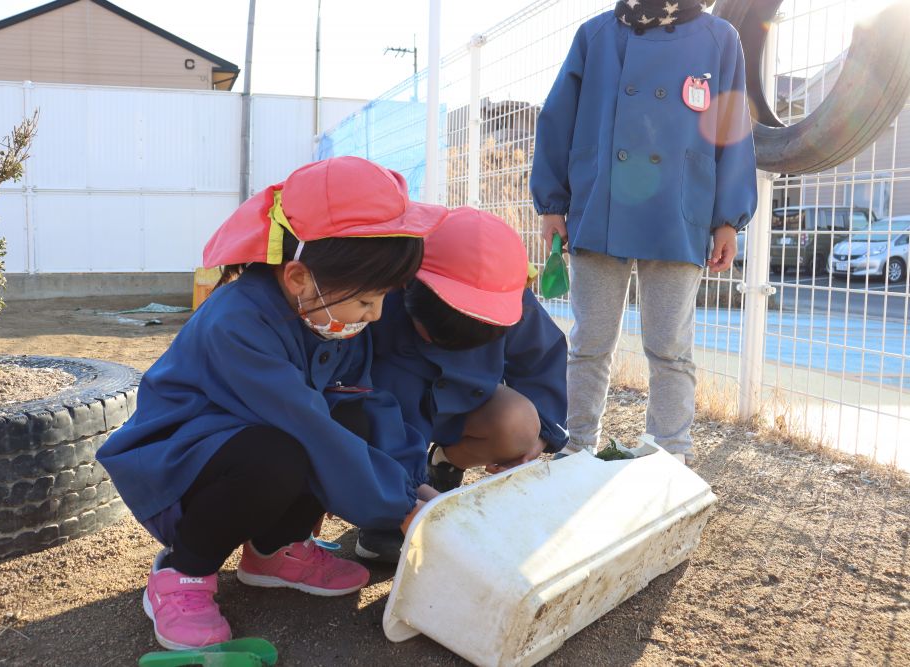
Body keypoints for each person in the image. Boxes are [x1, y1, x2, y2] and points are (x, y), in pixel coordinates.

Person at [96, 157, 447, 649]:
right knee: (282, 452)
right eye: (368, 299)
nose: (377, 313)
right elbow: (306, 425)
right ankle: (183, 572)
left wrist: (416, 484)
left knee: (349, 418)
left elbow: (368, 406)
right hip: (183, 467)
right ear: (300, 277)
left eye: (385, 296)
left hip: (265, 439)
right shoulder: (237, 322)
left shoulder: (329, 313)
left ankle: (275, 550)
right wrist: (398, 505)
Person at [530, 0, 757, 464]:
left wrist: (728, 218)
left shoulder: (719, 38)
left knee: (670, 347)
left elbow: (734, 128)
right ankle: (577, 446)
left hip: (680, 207)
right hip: (599, 204)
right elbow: (557, 118)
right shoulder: (596, 35)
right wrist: (552, 203)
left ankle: (669, 454)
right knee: (589, 341)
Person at [357, 207, 568, 563]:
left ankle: (443, 465)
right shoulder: (380, 297)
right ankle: (384, 515)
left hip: (464, 406)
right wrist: (400, 493)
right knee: (367, 428)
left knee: (521, 424)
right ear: (409, 287)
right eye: (433, 334)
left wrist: (542, 436)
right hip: (391, 418)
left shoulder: (509, 292)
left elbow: (541, 360)